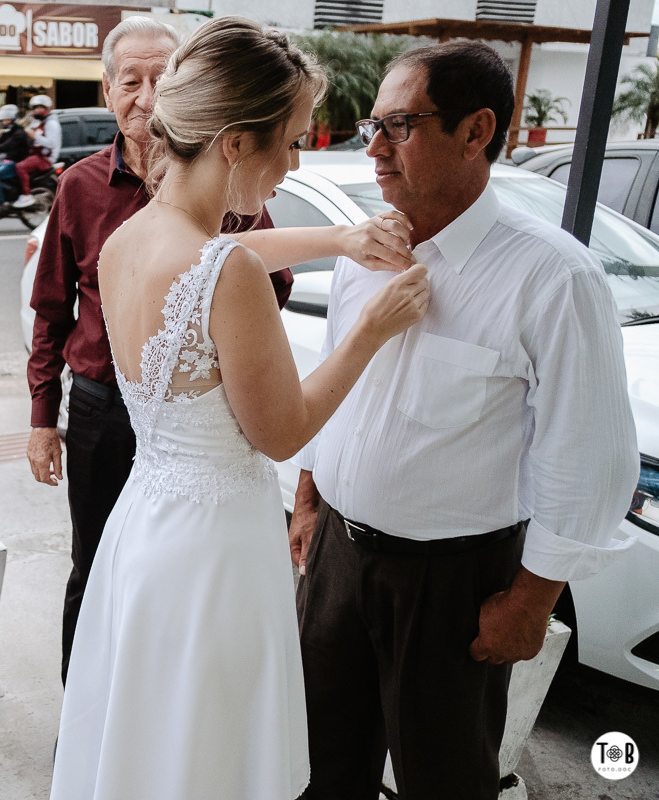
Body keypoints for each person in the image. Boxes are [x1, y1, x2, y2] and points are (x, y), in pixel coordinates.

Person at [50, 17, 431, 799]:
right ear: (233, 143)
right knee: (209, 757)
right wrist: (371, 330)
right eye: (288, 142)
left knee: (150, 744)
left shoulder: (131, 240)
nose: (292, 166)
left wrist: (343, 239)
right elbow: (283, 429)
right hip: (213, 555)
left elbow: (229, 255)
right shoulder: (227, 276)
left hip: (144, 528)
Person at [289, 41, 638, 800]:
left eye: (401, 126)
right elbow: (337, 380)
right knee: (317, 763)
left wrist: (531, 601)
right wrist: (310, 492)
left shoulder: (552, 276)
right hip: (339, 558)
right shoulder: (365, 249)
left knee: (443, 778)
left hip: (450, 582)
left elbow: (587, 457)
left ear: (476, 131)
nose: (375, 149)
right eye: (373, 127)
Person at [11, 94, 62, 209]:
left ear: (47, 109)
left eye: (40, 107)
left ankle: (26, 195)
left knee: (21, 167)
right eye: (35, 108)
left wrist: (34, 136)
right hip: (36, 155)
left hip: (45, 158)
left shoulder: (51, 124)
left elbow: (51, 143)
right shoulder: (38, 123)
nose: (37, 111)